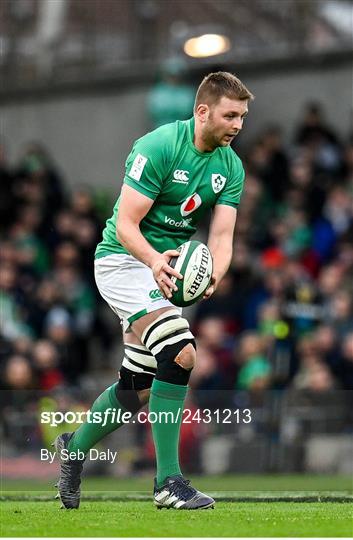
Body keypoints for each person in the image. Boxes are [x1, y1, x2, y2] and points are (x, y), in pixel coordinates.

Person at [54, 71, 254, 510]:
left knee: (139, 385)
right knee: (181, 352)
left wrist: (214, 275)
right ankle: (168, 483)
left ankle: (74, 448)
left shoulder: (230, 165)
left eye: (242, 116)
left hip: (165, 271)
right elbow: (125, 224)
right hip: (124, 262)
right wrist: (154, 261)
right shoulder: (159, 145)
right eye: (231, 115)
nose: (238, 124)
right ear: (202, 111)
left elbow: (221, 238)